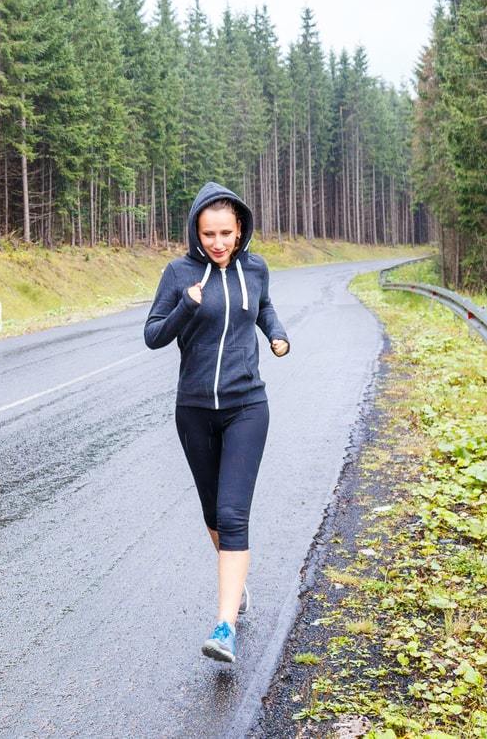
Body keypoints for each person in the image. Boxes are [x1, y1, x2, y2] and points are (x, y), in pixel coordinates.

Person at [143, 181, 290, 664]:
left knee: (232, 515)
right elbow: (153, 336)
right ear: (196, 232)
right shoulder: (179, 272)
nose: (218, 242)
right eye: (209, 234)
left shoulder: (256, 268)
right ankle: (237, 585)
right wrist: (186, 303)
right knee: (212, 514)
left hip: (248, 405)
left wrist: (277, 335)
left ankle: (224, 625)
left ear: (240, 229)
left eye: (226, 232)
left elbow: (263, 306)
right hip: (194, 410)